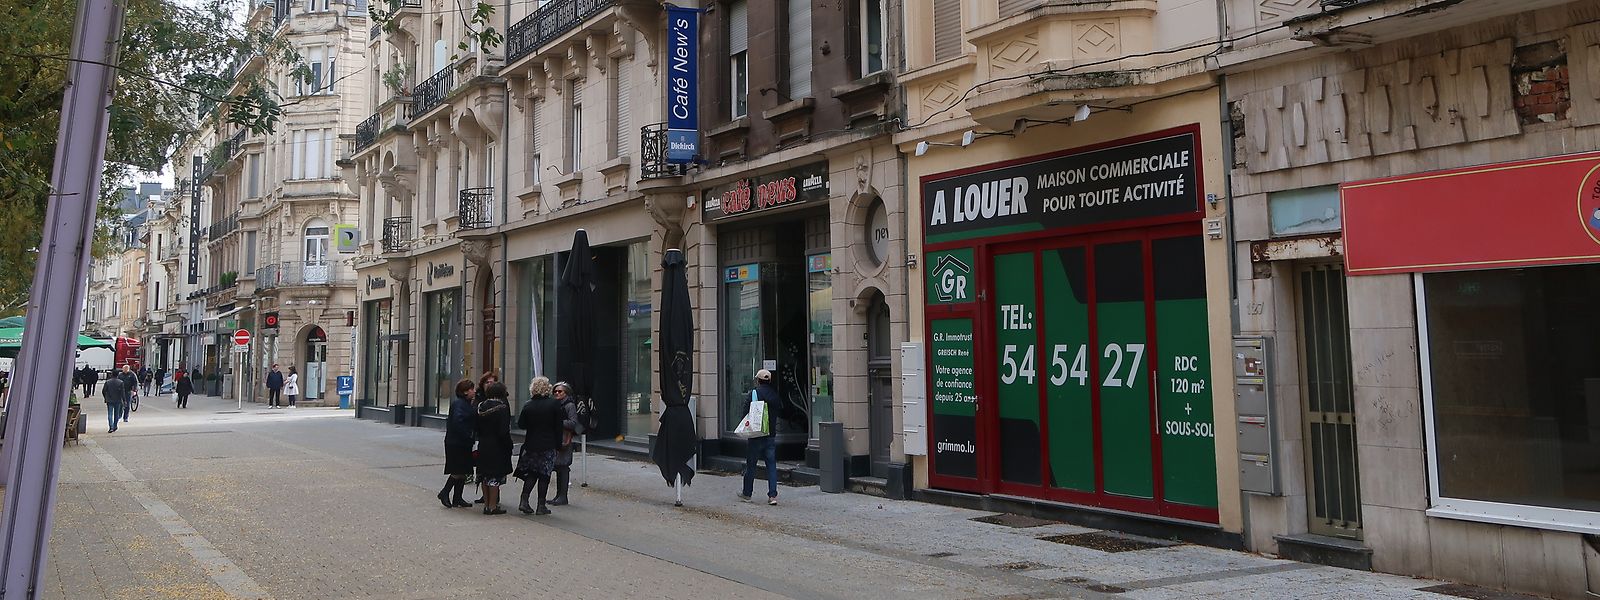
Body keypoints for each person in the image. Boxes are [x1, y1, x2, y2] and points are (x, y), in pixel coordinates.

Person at [515, 377, 564, 515]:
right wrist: (558, 446)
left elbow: (521, 424)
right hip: (548, 444)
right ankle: (541, 505)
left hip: (531, 443)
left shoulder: (528, 405)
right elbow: (558, 427)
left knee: (532, 473)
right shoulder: (554, 404)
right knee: (544, 475)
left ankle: (524, 500)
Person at [739, 369, 780, 505]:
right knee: (771, 465)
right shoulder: (774, 395)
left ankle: (747, 493)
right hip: (770, 435)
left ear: (758, 380)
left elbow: (745, 412)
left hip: (756, 435)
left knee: (751, 465)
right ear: (769, 381)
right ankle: (772, 495)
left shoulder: (754, 393)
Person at [474, 382, 514, 515]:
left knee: (484, 475)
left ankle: (486, 504)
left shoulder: (481, 406)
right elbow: (504, 431)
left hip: (484, 443)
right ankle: (492, 506)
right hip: (497, 446)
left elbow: (477, 427)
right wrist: (508, 444)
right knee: (494, 477)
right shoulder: (502, 408)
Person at [438, 379, 478, 508]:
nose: (474, 391)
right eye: (472, 389)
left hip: (462, 442)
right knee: (457, 470)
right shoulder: (459, 404)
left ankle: (457, 498)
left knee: (463, 470)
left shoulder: (466, 404)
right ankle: (445, 492)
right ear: (465, 391)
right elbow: (458, 422)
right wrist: (468, 435)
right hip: (457, 443)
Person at [550, 381, 582, 506]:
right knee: (558, 466)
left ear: (566, 393)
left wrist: (558, 422)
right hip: (556, 438)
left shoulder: (569, 405)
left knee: (563, 467)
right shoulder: (555, 404)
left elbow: (573, 423)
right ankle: (558, 495)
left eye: (560, 391)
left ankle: (563, 496)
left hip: (565, 439)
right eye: (555, 391)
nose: (557, 393)